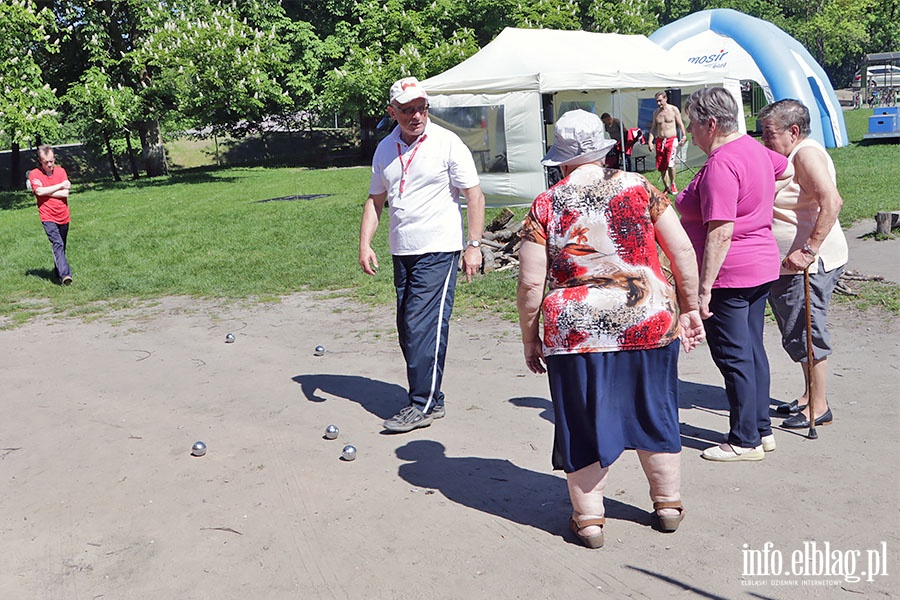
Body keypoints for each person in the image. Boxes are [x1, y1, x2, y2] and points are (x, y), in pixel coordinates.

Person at [517, 110, 704, 548]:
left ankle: (590, 519)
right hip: (648, 317)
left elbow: (530, 282)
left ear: (561, 161)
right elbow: (681, 252)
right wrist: (691, 306)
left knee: (582, 422)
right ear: (603, 151)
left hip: (576, 329)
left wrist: (531, 336)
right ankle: (668, 504)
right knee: (654, 410)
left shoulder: (547, 204)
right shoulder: (641, 188)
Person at [359, 77, 486, 433]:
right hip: (403, 249)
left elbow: (474, 195)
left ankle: (424, 403)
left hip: (440, 247)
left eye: (421, 108)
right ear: (392, 112)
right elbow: (375, 200)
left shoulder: (447, 143)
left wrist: (472, 246)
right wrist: (365, 243)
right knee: (407, 327)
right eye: (407, 110)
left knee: (422, 326)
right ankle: (430, 396)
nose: (416, 115)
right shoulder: (385, 148)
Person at [676, 87, 789, 462]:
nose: (689, 134)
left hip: (732, 272)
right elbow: (785, 167)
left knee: (733, 355)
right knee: (751, 349)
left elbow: (720, 230)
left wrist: (703, 288)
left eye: (693, 126)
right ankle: (761, 429)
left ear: (711, 124)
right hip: (760, 265)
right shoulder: (757, 150)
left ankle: (744, 440)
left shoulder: (722, 164)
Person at [758, 99, 848, 429]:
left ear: (793, 131)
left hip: (808, 264)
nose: (764, 139)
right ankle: (810, 394)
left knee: (807, 330)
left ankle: (820, 406)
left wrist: (809, 250)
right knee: (796, 329)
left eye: (769, 133)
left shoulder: (806, 154)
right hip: (791, 265)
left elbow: (832, 201)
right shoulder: (791, 155)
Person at [29, 145, 73, 285]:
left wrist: (47, 191)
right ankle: (65, 276)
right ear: (40, 161)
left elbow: (65, 193)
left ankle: (58, 271)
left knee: (62, 245)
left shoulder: (61, 172)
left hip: (63, 215)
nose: (49, 164)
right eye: (45, 162)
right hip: (47, 216)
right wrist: (60, 186)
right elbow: (39, 192)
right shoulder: (34, 174)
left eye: (51, 161)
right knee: (57, 243)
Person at [647, 91, 686, 195]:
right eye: (657, 101)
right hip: (660, 140)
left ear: (665, 98)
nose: (659, 103)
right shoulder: (656, 112)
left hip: (671, 140)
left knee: (670, 163)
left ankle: (673, 183)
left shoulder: (673, 109)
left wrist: (684, 135)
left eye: (660, 101)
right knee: (662, 165)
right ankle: (666, 187)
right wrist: (650, 141)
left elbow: (680, 123)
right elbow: (653, 128)